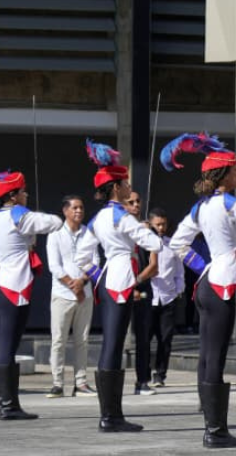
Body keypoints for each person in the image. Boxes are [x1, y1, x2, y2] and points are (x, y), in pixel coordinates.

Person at [163, 132, 236, 449]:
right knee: (216, 355)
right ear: (226, 175)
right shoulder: (230, 203)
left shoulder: (201, 207)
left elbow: (177, 243)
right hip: (221, 284)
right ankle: (215, 431)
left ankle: (211, 423)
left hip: (206, 282)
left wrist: (201, 267)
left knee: (207, 354)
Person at [0, 169, 62, 420]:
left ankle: (4, 404)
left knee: (0, 347)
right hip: (13, 288)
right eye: (23, 191)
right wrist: (30, 224)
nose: (27, 194)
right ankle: (8, 407)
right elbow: (56, 222)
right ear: (14, 196)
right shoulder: (20, 214)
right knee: (7, 347)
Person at [76, 140, 162, 433]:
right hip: (121, 277)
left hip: (109, 278)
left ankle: (112, 414)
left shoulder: (99, 217)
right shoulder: (120, 215)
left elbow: (82, 257)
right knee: (113, 344)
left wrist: (98, 277)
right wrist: (147, 230)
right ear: (115, 188)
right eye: (124, 182)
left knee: (112, 344)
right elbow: (153, 244)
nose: (128, 186)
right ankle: (110, 417)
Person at [46, 194, 97, 398]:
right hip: (62, 295)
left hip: (84, 295)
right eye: (74, 208)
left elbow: (96, 262)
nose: (79, 211)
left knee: (82, 340)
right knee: (58, 340)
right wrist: (72, 285)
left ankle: (81, 382)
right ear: (65, 211)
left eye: (81, 207)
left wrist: (82, 283)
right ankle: (57, 383)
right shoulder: (55, 234)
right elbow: (54, 266)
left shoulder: (89, 233)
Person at [124, 191, 158, 396]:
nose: (136, 205)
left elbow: (154, 265)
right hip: (121, 286)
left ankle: (143, 380)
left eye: (138, 202)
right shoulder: (120, 228)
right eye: (131, 202)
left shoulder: (147, 231)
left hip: (142, 287)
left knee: (144, 336)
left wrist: (137, 282)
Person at [148, 206, 184, 388]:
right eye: (157, 225)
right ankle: (144, 373)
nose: (160, 228)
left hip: (168, 297)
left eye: (163, 225)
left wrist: (178, 290)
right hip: (150, 297)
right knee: (146, 337)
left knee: (165, 338)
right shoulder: (144, 245)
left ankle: (160, 374)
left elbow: (179, 271)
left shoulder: (172, 245)